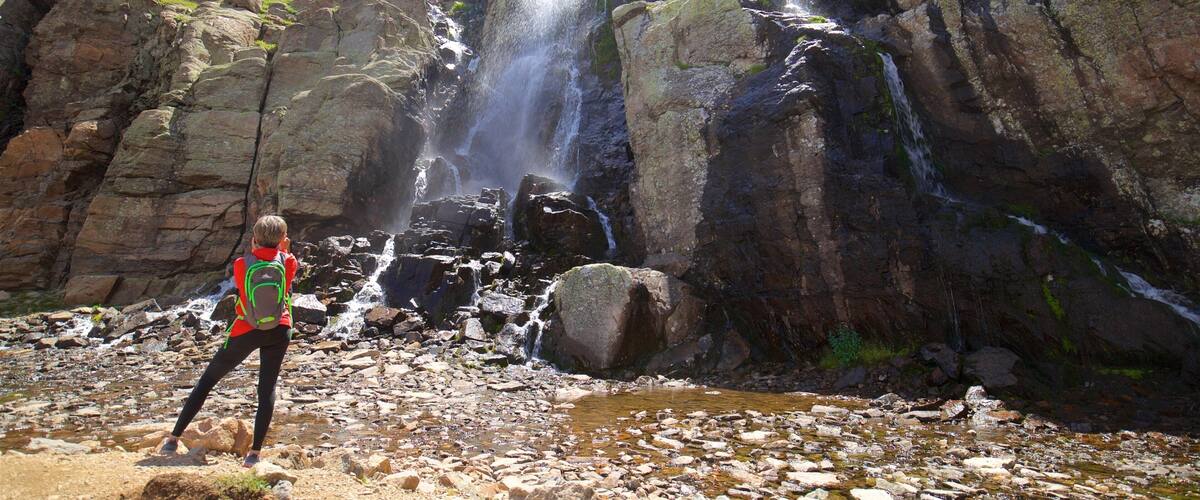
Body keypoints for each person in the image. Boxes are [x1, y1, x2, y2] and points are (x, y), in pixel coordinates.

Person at [160, 215, 299, 467]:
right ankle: (254, 454)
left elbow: (244, 287)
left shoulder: (240, 264)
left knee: (208, 380)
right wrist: (284, 252)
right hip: (280, 329)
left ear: (254, 239)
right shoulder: (289, 262)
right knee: (266, 389)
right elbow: (286, 285)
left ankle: (173, 438)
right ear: (282, 240)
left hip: (245, 330)